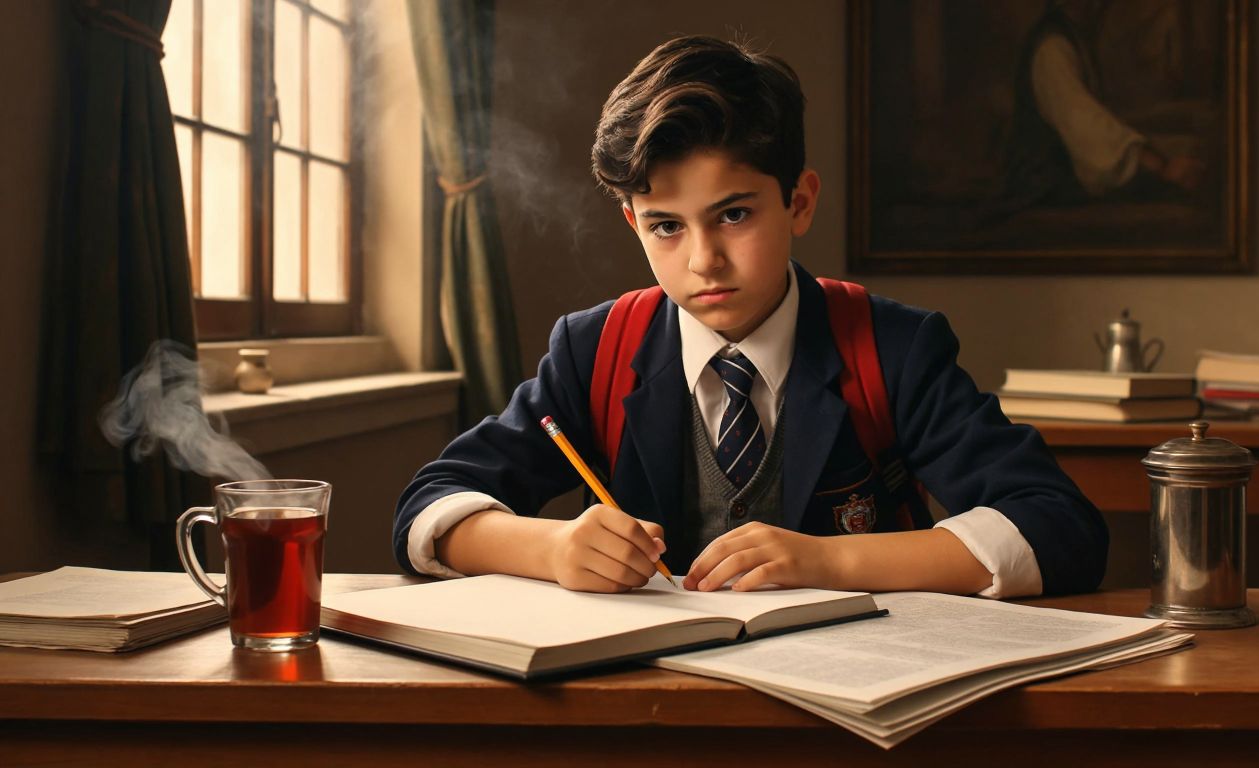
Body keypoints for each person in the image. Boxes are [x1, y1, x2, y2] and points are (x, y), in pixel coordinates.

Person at [393, 35, 1107, 598]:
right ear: (633, 224)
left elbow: (1062, 527)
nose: (703, 260)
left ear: (800, 202)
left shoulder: (893, 347)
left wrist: (832, 561)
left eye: (733, 215)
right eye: (666, 226)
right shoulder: (594, 349)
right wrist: (550, 548)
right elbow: (428, 505)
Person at [1004, 0, 1205, 209]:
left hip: (1069, 182)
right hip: (1044, 190)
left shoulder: (1075, 39)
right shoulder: (1052, 48)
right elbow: (1087, 130)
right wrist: (1161, 167)